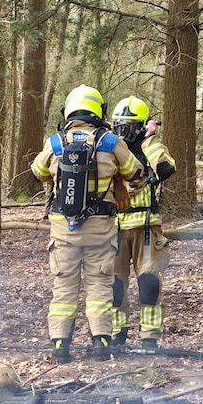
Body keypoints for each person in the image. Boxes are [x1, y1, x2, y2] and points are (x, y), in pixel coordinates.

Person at [32, 85, 144, 364]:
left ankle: (60, 345)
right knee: (99, 287)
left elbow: (38, 172)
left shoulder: (56, 142)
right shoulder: (109, 142)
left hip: (63, 230)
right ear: (99, 110)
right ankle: (101, 343)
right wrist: (116, 178)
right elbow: (136, 174)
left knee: (64, 287)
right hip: (100, 229)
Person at [110, 98, 176, 349]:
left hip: (146, 226)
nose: (121, 134)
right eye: (118, 127)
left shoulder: (153, 147)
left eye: (126, 129)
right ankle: (117, 334)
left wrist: (146, 141)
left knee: (149, 283)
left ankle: (149, 337)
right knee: (115, 286)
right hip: (114, 227)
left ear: (139, 127)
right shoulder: (111, 148)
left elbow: (165, 168)